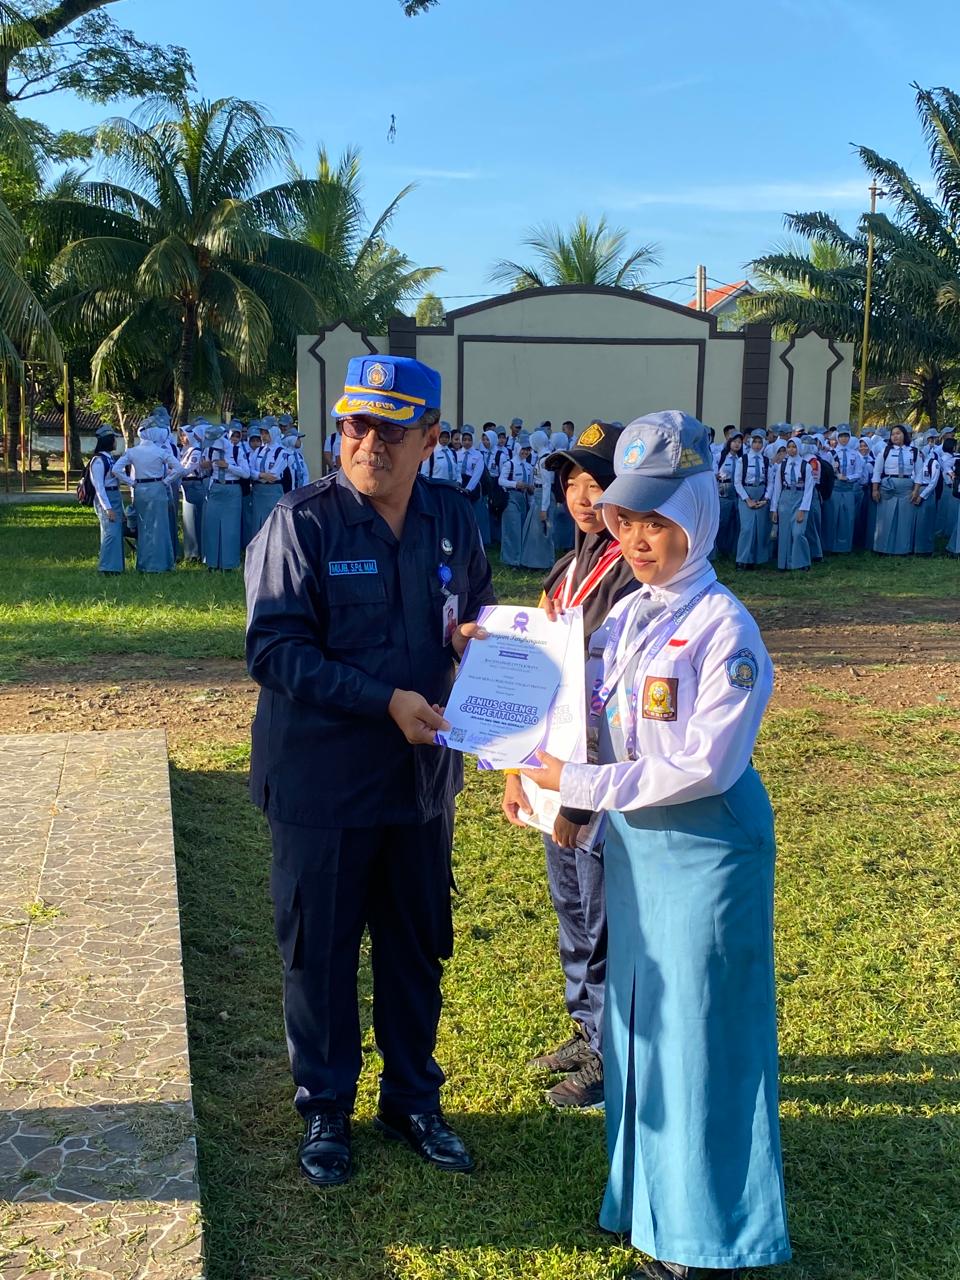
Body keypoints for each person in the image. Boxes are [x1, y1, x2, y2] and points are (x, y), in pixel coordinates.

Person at [519, 410, 791, 1280]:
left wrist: (578, 786)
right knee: (639, 1032)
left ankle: (704, 1242)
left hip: (707, 852)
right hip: (641, 850)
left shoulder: (724, 627)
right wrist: (542, 783)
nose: (637, 538)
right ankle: (645, 1207)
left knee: (703, 1043)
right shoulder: (634, 614)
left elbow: (705, 763)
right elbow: (592, 725)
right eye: (627, 518)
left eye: (658, 520)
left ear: (701, 516)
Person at [245, 354, 495, 1188]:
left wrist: (479, 648)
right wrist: (383, 697)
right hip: (323, 785)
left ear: (430, 438)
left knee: (415, 946)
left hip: (419, 787)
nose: (370, 443)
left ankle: (412, 1099)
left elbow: (476, 617)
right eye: (356, 425)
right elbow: (276, 650)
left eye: (391, 429)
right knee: (319, 951)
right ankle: (325, 1108)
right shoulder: (302, 524)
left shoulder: (454, 522)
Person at [503, 420, 637, 1110]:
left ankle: (611, 1055)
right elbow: (537, 679)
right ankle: (586, 1028)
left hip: (598, 783)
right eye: (573, 481)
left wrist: (583, 802)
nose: (582, 495)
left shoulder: (632, 579)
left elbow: (613, 702)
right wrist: (516, 770)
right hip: (555, 774)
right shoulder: (566, 569)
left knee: (604, 913)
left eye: (598, 481)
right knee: (573, 909)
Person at [111, 421, 182, 572]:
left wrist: (131, 483)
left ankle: (144, 563)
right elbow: (179, 469)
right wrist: (166, 481)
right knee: (160, 526)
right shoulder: (160, 451)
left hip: (140, 489)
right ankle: (162, 563)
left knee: (143, 527)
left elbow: (116, 469)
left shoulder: (133, 451)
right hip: (158, 488)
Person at [201, 423, 249, 570]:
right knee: (212, 526)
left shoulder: (236, 450)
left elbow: (246, 473)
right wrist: (206, 465)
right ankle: (212, 562)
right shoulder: (210, 450)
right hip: (215, 488)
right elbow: (202, 468)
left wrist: (228, 466)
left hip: (232, 488)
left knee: (231, 528)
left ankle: (229, 563)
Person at [770, 437, 815, 571]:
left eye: (794, 447)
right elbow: (777, 488)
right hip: (785, 498)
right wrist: (774, 509)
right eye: (789, 447)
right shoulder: (782, 466)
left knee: (798, 532)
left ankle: (801, 562)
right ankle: (784, 563)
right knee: (784, 532)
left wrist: (803, 508)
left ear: (799, 448)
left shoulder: (805, 466)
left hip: (799, 498)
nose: (791, 449)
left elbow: (809, 489)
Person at [872, 425, 917, 555]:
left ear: (904, 435)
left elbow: (918, 472)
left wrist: (916, 490)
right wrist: (875, 489)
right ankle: (882, 548)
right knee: (885, 516)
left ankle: (903, 548)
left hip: (906, 486)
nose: (895, 436)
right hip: (889, 486)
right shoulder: (885, 451)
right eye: (893, 434)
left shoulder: (913, 451)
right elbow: (877, 471)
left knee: (905, 518)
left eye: (898, 433)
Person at [733, 428, 773, 568]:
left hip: (761, 494)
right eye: (754, 442)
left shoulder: (766, 461)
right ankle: (743, 559)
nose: (757, 445)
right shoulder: (742, 460)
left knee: (760, 528)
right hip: (746, 494)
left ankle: (757, 559)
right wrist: (747, 499)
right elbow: (737, 482)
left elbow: (770, 482)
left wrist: (766, 498)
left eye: (759, 442)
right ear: (750, 442)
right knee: (747, 528)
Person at [87, 424, 124, 574]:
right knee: (111, 533)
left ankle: (115, 566)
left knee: (115, 532)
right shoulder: (98, 461)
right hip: (106, 498)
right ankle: (107, 567)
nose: (116, 441)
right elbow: (99, 487)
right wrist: (108, 508)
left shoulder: (110, 459)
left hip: (114, 495)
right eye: (114, 438)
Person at [519, 428, 555, 569]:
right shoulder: (543, 457)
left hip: (543, 497)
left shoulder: (544, 460)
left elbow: (546, 484)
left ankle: (542, 562)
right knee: (537, 529)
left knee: (541, 530)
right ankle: (535, 561)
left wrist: (544, 508)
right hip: (539, 493)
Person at [498, 433, 534, 566]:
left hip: (523, 498)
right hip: (511, 498)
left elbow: (530, 486)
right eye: (523, 449)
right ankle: (511, 560)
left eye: (528, 449)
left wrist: (531, 501)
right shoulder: (510, 464)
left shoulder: (529, 467)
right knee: (512, 529)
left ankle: (520, 558)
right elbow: (501, 481)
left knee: (522, 528)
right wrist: (515, 484)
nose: (525, 452)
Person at [832, 425, 863, 553]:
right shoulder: (831, 453)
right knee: (834, 515)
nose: (844, 439)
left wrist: (848, 478)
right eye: (841, 436)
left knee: (848, 517)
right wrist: (835, 473)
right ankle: (832, 545)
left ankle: (845, 546)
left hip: (848, 488)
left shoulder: (855, 454)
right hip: (835, 488)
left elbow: (859, 472)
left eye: (846, 436)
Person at [713, 430, 743, 557]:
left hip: (738, 492)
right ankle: (719, 549)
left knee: (736, 522)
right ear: (729, 442)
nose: (737, 444)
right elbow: (714, 473)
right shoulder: (720, 456)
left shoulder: (742, 459)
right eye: (735, 441)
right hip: (723, 491)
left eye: (739, 442)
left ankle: (732, 550)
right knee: (722, 521)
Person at [912, 437, 941, 555]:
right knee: (915, 522)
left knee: (926, 521)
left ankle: (926, 548)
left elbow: (933, 482)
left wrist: (922, 496)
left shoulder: (933, 463)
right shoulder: (915, 463)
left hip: (927, 492)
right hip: (916, 490)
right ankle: (914, 547)